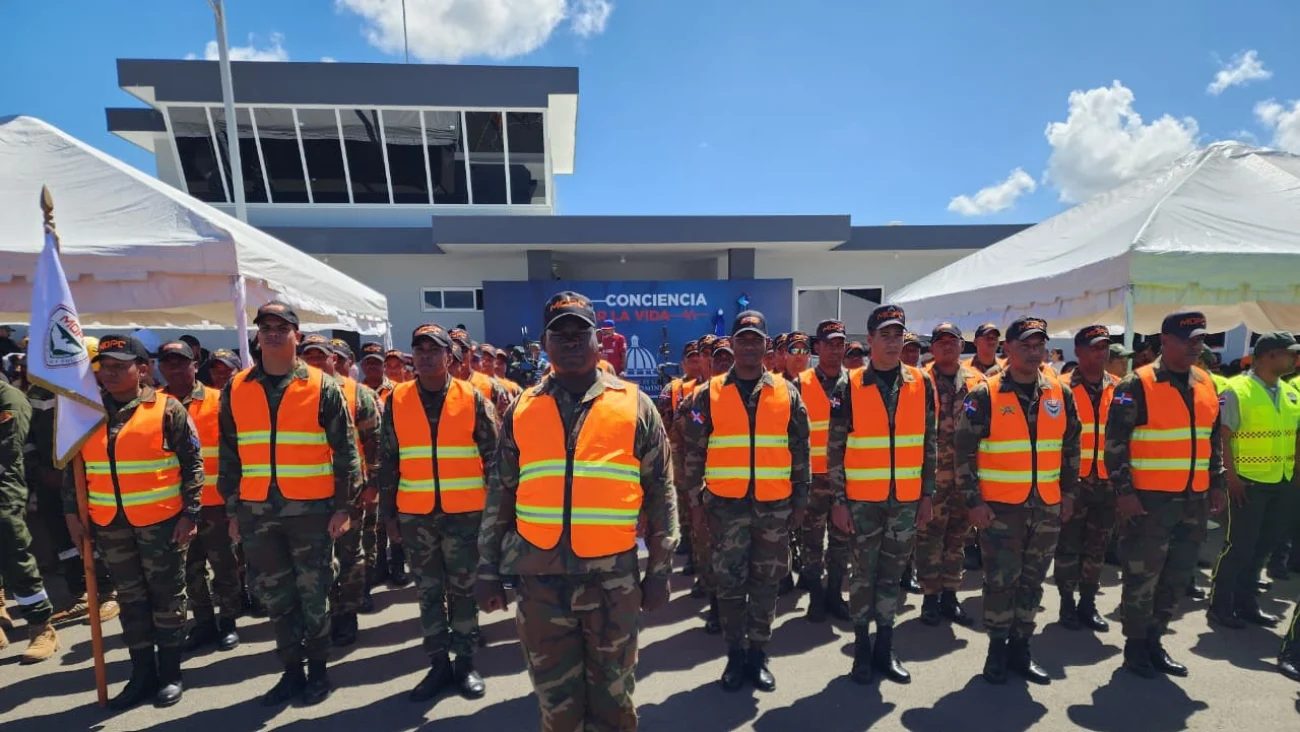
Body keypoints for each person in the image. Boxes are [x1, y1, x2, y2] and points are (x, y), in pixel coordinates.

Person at [477, 292, 678, 731]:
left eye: (579, 332)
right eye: (559, 334)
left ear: (597, 341)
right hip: (540, 583)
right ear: (545, 344)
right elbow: (501, 493)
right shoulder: (522, 408)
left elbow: (661, 492)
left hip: (613, 581)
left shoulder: (634, 405)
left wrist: (660, 570)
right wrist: (487, 568)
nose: (570, 341)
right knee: (556, 701)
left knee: (614, 696)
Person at [220, 302, 361, 706]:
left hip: (312, 513)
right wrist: (233, 510)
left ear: (297, 335)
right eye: (266, 327)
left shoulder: (322, 385)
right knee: (276, 596)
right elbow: (229, 454)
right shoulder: (238, 387)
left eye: (283, 327)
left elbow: (346, 453)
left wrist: (343, 507)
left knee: (313, 593)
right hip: (258, 513)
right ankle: (290, 671)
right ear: (258, 335)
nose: (274, 333)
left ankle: (317, 670)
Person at [64, 334, 204, 709]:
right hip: (109, 524)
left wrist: (191, 513)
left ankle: (170, 673)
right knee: (131, 601)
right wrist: (72, 518)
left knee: (167, 599)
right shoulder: (85, 412)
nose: (109, 373)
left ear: (142, 370)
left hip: (161, 523)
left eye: (119, 366)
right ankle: (142, 674)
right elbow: (73, 472)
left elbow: (193, 464)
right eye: (104, 367)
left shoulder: (168, 409)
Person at [680, 310, 810, 692]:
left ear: (767, 346)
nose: (750, 346)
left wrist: (800, 499)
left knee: (767, 583)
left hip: (774, 507)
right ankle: (735, 655)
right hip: (726, 507)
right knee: (731, 585)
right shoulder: (708, 394)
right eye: (743, 339)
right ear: (732, 345)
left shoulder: (787, 392)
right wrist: (696, 503)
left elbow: (801, 450)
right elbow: (693, 453)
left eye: (757, 339)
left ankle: (759, 653)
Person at [958, 317, 1080, 685]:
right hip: (1001, 510)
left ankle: (1021, 648)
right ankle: (997, 651)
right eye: (1025, 344)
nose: (1033, 350)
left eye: (1039, 343)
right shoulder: (985, 394)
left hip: (1045, 506)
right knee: (1000, 582)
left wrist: (1069, 493)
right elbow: (962, 452)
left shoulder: (1059, 392)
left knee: (1032, 582)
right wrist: (972, 502)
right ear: (1007, 349)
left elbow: (1071, 446)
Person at [379, 323, 497, 702]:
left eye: (435, 349)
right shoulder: (396, 400)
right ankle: (437, 665)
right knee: (428, 593)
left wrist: (497, 514)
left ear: (450, 357)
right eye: (420, 349)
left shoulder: (473, 397)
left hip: (465, 515)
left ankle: (464, 663)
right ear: (412, 355)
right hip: (416, 516)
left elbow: (493, 457)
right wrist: (389, 515)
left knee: (463, 591)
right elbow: (389, 461)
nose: (427, 355)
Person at [1105, 310, 1225, 679]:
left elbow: (1211, 440)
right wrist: (1124, 493)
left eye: (1200, 340)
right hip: (1149, 501)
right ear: (1165, 340)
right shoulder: (1136, 384)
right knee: (1143, 577)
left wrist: (1216, 482)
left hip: (1193, 499)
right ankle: (1135, 646)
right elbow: (1115, 445)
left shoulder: (1205, 382)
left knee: (1177, 576)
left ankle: (1155, 639)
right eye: (1188, 340)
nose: (1196, 346)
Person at [828, 305, 936, 685]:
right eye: (885, 335)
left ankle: (885, 647)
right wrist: (839, 501)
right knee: (862, 576)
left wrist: (927, 495)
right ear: (870, 340)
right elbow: (835, 449)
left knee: (892, 576)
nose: (893, 342)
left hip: (905, 499)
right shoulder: (850, 385)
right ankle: (861, 649)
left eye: (898, 334)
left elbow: (929, 442)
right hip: (863, 501)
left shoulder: (921, 382)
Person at [25, 337, 120, 627]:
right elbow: (28, 437)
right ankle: (79, 594)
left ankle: (107, 592)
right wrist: (40, 470)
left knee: (95, 534)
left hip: (86, 478)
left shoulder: (100, 394)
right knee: (62, 538)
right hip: (48, 478)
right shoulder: (38, 391)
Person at [1207, 332, 1300, 629]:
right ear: (1269, 355)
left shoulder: (1290, 393)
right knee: (1240, 546)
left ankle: (1246, 603)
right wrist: (1230, 478)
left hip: (1281, 482)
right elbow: (1222, 438)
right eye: (1290, 353)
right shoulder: (1237, 390)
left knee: (1264, 546)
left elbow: (1294, 438)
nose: (1295, 359)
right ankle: (1220, 606)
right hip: (1247, 484)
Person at [158, 341, 241, 653]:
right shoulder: (154, 404)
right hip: (174, 506)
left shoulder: (220, 401)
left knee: (225, 567)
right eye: (169, 363)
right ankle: (204, 623)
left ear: (195, 364)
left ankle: (229, 621)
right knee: (190, 570)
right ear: (160, 367)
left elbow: (236, 452)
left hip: (217, 503)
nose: (176, 368)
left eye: (182, 362)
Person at [297, 334, 380, 643]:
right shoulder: (294, 392)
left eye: (321, 356)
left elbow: (374, 445)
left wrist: (372, 485)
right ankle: (321, 614)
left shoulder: (358, 394)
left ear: (335, 360)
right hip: (307, 491)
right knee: (314, 557)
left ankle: (347, 612)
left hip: (349, 490)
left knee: (349, 555)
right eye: (310, 357)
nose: (315, 362)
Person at [1054, 326, 1121, 632]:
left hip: (1107, 482)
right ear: (1078, 351)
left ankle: (1088, 603)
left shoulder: (1119, 388)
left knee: (1097, 545)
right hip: (1072, 482)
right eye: (1095, 347)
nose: (1102, 353)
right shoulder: (1059, 387)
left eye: (1105, 347)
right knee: (1068, 544)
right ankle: (1067, 602)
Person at [916, 323, 982, 628]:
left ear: (961, 345)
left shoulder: (978, 381)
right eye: (940, 342)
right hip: (931, 476)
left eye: (952, 342)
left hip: (966, 475)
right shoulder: (918, 380)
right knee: (930, 539)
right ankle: (930, 598)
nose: (946, 347)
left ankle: (950, 596)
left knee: (958, 538)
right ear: (932, 348)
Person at [795, 319, 852, 623]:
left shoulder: (856, 383)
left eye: (839, 343)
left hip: (845, 479)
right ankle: (816, 596)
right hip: (812, 479)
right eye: (828, 343)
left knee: (842, 541)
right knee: (812, 541)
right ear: (816, 348)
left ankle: (834, 594)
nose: (835, 349)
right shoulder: (799, 384)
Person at [0, 376, 60, 663]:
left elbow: (7, 451)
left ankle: (41, 626)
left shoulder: (8, 398)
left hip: (3, 491)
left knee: (14, 555)